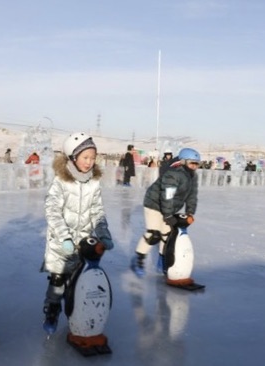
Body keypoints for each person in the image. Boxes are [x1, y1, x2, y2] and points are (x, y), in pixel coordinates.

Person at [41, 132, 114, 334]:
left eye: (93, 158)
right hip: (61, 243)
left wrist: (104, 234)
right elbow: (52, 210)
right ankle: (52, 310)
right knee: (58, 281)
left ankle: (78, 313)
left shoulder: (94, 182)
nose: (89, 162)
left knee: (79, 280)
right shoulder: (61, 181)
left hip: (83, 243)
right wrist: (64, 237)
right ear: (73, 157)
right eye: (85, 157)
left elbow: (97, 211)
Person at [130, 148, 200, 277]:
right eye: (192, 163)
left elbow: (192, 195)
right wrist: (168, 215)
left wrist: (190, 212)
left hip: (169, 207)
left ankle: (162, 262)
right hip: (154, 204)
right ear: (183, 162)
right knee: (154, 234)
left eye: (197, 164)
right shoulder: (173, 174)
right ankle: (138, 259)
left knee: (167, 235)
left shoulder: (192, 176)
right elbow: (167, 196)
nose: (194, 166)